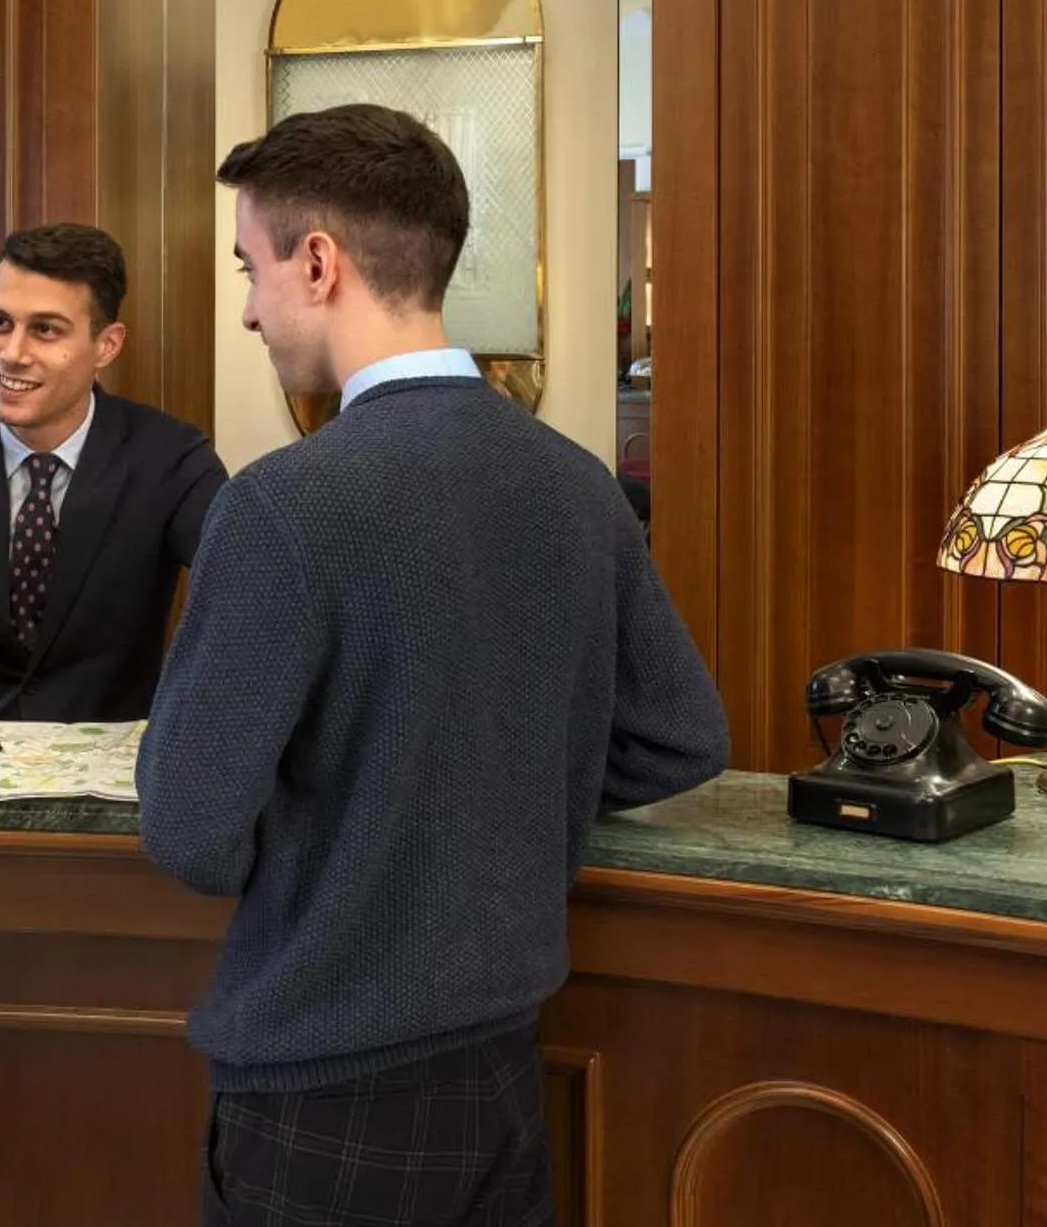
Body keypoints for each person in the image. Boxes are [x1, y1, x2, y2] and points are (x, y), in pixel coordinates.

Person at [138, 105, 729, 1227]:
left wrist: (362, 812)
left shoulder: (281, 505)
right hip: (501, 1068)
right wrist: (493, 778)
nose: (248, 306)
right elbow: (680, 736)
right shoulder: (574, 482)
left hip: (319, 1085)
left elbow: (187, 825)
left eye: (249, 267)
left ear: (317, 262)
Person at [0, 223, 228, 747]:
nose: (11, 353)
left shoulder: (171, 458)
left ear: (106, 345)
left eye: (45, 330)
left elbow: (241, 583)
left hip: (111, 758)